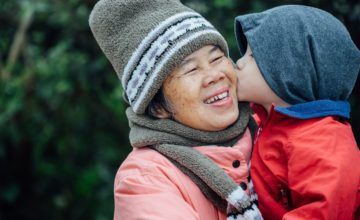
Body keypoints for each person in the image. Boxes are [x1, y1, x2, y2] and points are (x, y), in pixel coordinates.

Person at [89, 0, 263, 219]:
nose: (215, 75)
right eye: (191, 70)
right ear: (159, 106)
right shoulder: (145, 179)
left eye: (217, 58)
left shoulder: (272, 123)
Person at [234, 5, 360, 220]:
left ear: (292, 73)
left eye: (253, 56)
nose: (239, 62)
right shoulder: (263, 122)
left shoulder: (323, 140)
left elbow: (322, 211)